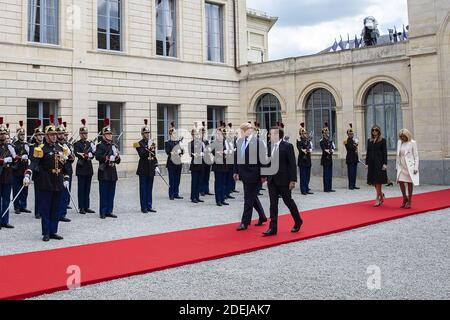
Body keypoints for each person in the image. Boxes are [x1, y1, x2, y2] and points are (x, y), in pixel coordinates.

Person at [23, 115, 71, 241]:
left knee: (56, 207)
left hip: (58, 181)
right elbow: (33, 163)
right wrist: (28, 174)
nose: (55, 136)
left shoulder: (61, 148)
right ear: (46, 136)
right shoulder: (41, 149)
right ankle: (46, 232)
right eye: (52, 134)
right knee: (46, 208)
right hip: (46, 181)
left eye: (55, 134)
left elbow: (65, 165)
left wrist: (66, 178)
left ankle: (53, 231)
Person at [263, 124, 303, 236]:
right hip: (272, 180)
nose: (269, 135)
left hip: (284, 180)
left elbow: (292, 165)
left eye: (270, 134)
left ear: (276, 135)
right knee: (273, 204)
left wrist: (293, 180)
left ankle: (298, 220)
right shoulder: (270, 146)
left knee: (288, 201)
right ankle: (273, 228)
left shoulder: (287, 146)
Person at [234, 122, 267, 231]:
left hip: (254, 174)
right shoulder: (240, 142)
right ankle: (262, 216)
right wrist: (236, 172)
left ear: (250, 130)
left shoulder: (258, 143)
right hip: (244, 174)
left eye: (244, 130)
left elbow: (263, 160)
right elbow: (237, 158)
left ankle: (245, 222)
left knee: (248, 198)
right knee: (252, 196)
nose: (242, 132)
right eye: (241, 130)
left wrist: (263, 175)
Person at [95, 118, 121, 219]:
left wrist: (117, 157)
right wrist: (105, 158)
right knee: (104, 193)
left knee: (111, 193)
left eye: (110, 134)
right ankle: (103, 211)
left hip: (112, 171)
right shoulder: (100, 146)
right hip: (104, 171)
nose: (110, 135)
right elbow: (97, 156)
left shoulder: (114, 145)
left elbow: (118, 161)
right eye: (107, 134)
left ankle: (109, 210)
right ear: (103, 135)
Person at [134, 119, 159, 213]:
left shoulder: (152, 142)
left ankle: (149, 205)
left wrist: (156, 165)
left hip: (151, 168)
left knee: (149, 188)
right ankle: (143, 207)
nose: (147, 134)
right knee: (143, 188)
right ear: (142, 134)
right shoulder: (138, 144)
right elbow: (142, 155)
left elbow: (154, 155)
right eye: (145, 133)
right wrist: (148, 147)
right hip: (143, 168)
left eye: (148, 132)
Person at [73, 119, 96, 215]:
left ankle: (87, 206)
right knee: (81, 188)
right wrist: (85, 155)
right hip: (81, 168)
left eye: (86, 133)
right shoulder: (77, 144)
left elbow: (93, 154)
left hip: (88, 168)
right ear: (80, 134)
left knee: (87, 189)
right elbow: (77, 153)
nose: (84, 135)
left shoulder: (90, 143)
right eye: (83, 133)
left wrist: (91, 154)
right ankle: (81, 207)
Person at [396, 129, 420, 209]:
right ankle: (404, 197)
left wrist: (416, 167)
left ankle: (409, 200)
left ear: (407, 135)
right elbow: (397, 155)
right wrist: (397, 166)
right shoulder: (399, 142)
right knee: (400, 181)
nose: (402, 138)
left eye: (404, 136)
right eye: (401, 136)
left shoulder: (413, 143)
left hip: (409, 166)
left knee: (409, 183)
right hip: (401, 165)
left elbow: (416, 156)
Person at [365, 125, 388, 207]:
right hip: (371, 163)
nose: (374, 132)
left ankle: (377, 198)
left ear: (379, 131)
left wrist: (385, 164)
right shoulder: (369, 140)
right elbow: (368, 152)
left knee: (378, 181)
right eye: (373, 130)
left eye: (376, 130)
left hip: (379, 163)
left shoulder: (383, 140)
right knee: (373, 181)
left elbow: (385, 153)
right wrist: (366, 163)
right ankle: (381, 195)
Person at [12, 121, 32, 214]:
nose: (22, 136)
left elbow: (30, 156)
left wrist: (28, 154)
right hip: (16, 169)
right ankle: (17, 207)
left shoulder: (26, 144)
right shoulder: (13, 145)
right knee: (16, 189)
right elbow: (12, 156)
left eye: (23, 134)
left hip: (24, 169)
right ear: (17, 135)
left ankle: (23, 206)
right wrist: (20, 157)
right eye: (21, 134)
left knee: (25, 189)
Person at [56, 119, 73, 223]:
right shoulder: (56, 146)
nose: (62, 135)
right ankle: (57, 213)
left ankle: (62, 213)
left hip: (66, 171)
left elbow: (72, 159)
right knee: (58, 194)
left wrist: (69, 155)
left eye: (63, 133)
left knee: (64, 193)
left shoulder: (66, 145)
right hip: (57, 172)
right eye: (60, 134)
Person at [0, 117, 15, 230]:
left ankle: (5, 220)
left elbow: (15, 159)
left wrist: (13, 158)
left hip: (7, 175)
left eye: (4, 134)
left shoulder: (9, 147)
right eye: (1, 134)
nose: (3, 136)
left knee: (6, 199)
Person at [29, 120, 45, 219]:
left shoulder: (45, 146)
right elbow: (32, 159)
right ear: (35, 137)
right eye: (39, 135)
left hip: (46, 173)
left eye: (42, 135)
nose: (41, 137)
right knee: (38, 194)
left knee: (45, 194)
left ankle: (44, 211)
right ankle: (38, 212)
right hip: (38, 172)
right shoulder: (32, 147)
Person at [211, 124, 230, 206]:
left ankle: (222, 198)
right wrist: (218, 153)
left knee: (223, 183)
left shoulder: (225, 142)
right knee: (218, 183)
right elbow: (212, 151)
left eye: (220, 134)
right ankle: (218, 200)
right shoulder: (214, 142)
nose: (218, 135)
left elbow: (229, 151)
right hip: (217, 165)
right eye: (217, 134)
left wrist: (226, 152)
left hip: (224, 165)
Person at [165, 122, 184, 200]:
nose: (175, 134)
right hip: (171, 163)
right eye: (174, 133)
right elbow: (168, 152)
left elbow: (182, 152)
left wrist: (181, 150)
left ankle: (176, 193)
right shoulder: (168, 142)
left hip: (178, 163)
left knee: (177, 179)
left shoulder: (178, 142)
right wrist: (176, 152)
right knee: (172, 179)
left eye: (176, 133)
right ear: (170, 134)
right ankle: (171, 194)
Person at [188, 123, 205, 204]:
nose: (196, 135)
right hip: (194, 164)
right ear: (192, 135)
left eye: (197, 134)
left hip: (200, 164)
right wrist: (195, 154)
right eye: (195, 134)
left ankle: (197, 196)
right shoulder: (190, 143)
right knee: (194, 181)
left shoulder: (200, 143)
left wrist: (202, 153)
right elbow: (190, 153)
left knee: (199, 181)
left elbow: (203, 151)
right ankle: (193, 197)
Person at [296, 122, 313, 195]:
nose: (305, 134)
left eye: (306, 133)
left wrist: (309, 149)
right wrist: (305, 150)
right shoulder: (299, 141)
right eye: (304, 133)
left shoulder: (308, 141)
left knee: (307, 176)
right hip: (302, 160)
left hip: (308, 160)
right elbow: (300, 149)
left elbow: (311, 149)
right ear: (301, 134)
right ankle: (303, 190)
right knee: (303, 176)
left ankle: (307, 188)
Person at [344, 123, 360, 190]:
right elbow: (350, 148)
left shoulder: (353, 140)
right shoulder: (347, 141)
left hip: (354, 158)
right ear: (348, 134)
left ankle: (353, 184)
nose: (351, 135)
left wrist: (355, 143)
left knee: (354, 172)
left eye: (352, 134)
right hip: (350, 158)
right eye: (350, 134)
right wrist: (356, 144)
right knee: (351, 172)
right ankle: (350, 185)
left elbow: (355, 149)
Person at [320, 122, 335, 193]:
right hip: (325, 159)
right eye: (326, 132)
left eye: (328, 132)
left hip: (330, 159)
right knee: (326, 174)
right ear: (323, 133)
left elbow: (333, 148)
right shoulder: (322, 141)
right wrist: (329, 150)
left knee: (330, 174)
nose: (328, 133)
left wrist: (332, 150)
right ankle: (326, 188)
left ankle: (330, 187)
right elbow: (324, 149)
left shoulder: (330, 141)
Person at [200, 122, 213, 197]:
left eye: (204, 133)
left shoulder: (206, 141)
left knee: (207, 176)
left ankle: (206, 189)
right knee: (202, 176)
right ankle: (201, 190)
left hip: (207, 160)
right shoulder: (198, 142)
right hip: (202, 161)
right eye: (202, 133)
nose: (203, 134)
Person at [225, 123, 237, 199]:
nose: (232, 135)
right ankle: (225, 192)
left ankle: (228, 192)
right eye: (230, 134)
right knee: (226, 178)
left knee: (230, 177)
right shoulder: (226, 141)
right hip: (227, 161)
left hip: (232, 161)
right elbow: (226, 151)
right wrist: (232, 151)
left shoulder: (231, 142)